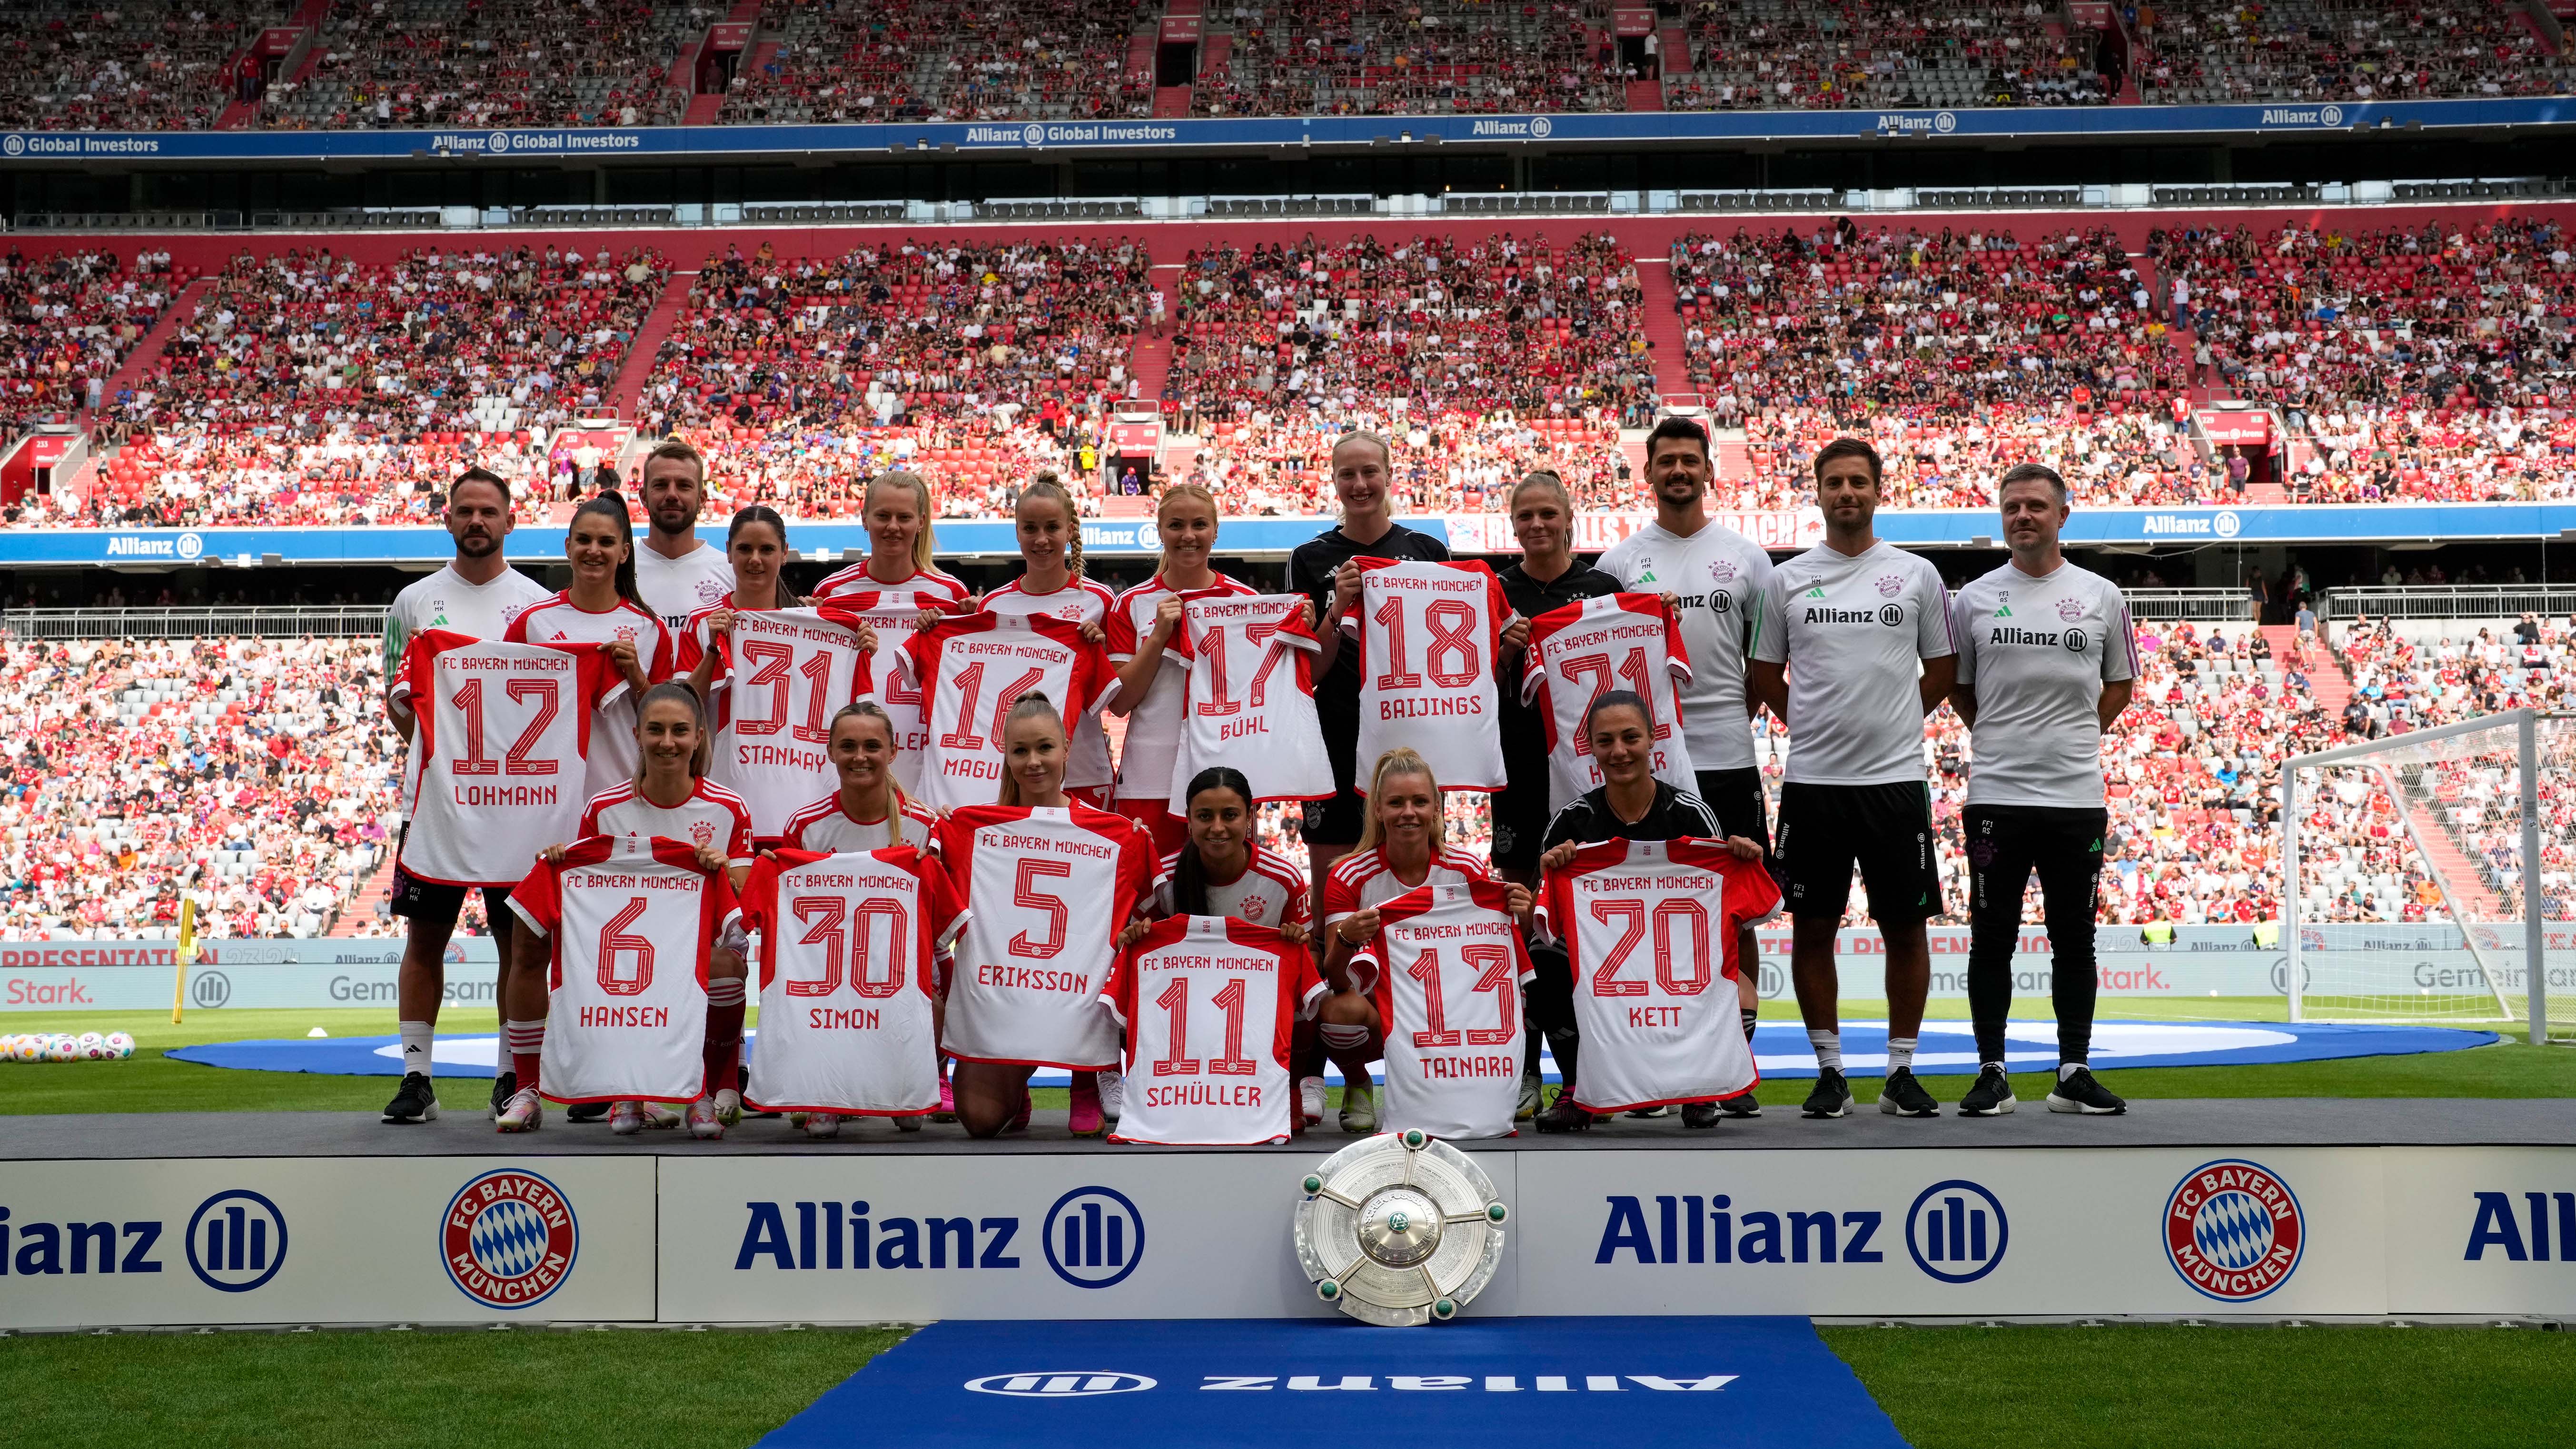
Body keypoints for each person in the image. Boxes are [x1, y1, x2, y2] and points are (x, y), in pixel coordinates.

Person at [1749, 437, 1957, 1120]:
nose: (1846, 493)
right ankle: (1830, 1071)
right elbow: (1764, 677)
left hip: (1894, 782)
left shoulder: (1917, 576)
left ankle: (1901, 1071)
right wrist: (1813, 725)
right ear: (1818, 491)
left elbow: (1943, 672)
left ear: (1878, 490)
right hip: (1813, 784)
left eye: (1858, 482)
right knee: (1812, 929)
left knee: (1907, 928)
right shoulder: (1786, 580)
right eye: (1834, 482)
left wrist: (1890, 723)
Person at [1597, 415, 1776, 1118]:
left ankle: (1737, 1068)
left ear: (1709, 470)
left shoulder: (1747, 558)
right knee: (1645, 915)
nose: (1677, 471)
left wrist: (1730, 719)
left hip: (1726, 755)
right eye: (1665, 461)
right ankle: (1654, 1069)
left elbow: (1763, 667)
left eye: (1688, 461)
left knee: (1734, 923)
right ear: (1648, 474)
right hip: (1646, 767)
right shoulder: (1618, 562)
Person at [1945, 464, 2136, 1117]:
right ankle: (1992, 1072)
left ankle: (2073, 1072)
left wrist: (2076, 736)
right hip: (1997, 793)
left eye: (2034, 506)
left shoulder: (2102, 595)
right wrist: (2004, 737)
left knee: (2073, 938)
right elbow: (1960, 688)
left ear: (2062, 515)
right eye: (2011, 507)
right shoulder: (1971, 599)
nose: (2022, 516)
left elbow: (2120, 684)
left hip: (2076, 797)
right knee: (1992, 936)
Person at [495, 682, 753, 1137]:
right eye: (655, 730)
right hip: (618, 956)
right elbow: (587, 880)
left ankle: (704, 1093)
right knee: (527, 935)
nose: (667, 742)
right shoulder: (605, 807)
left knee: (728, 964)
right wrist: (561, 860)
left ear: (698, 736)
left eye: (679, 731)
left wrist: (722, 869)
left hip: (688, 952)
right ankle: (529, 1089)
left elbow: (745, 902)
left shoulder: (728, 807)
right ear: (636, 734)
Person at [378, 467, 551, 1126]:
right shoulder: (413, 602)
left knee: (519, 945)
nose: (477, 521)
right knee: (425, 937)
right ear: (447, 519)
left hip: (517, 810)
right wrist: (444, 760)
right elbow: (399, 702)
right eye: (466, 511)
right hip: (436, 805)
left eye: (489, 512)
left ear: (511, 520)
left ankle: (512, 1076)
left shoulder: (535, 606)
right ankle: (416, 1077)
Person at [1531, 690, 1766, 1133]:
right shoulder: (1571, 822)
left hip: (1674, 964)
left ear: (1654, 739)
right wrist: (1550, 870)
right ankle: (1579, 1089)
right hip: (1607, 971)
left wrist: (1739, 860)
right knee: (1541, 963)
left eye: (1630, 737)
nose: (1618, 751)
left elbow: (1727, 917)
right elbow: (1544, 927)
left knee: (1744, 998)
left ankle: (1701, 1087)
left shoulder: (1691, 815)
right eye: (1606, 741)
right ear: (1591, 748)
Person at [935, 694, 1155, 1139]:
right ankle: (1018, 1086)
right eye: (1020, 751)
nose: (1033, 761)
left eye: (1045, 748)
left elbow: (1144, 925)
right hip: (1003, 1004)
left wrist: (1138, 844)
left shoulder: (1113, 834)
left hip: (1073, 1007)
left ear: (1067, 747)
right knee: (978, 1118)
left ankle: (1086, 1080)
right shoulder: (974, 828)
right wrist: (942, 828)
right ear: (1006, 755)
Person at [1488, 470, 1620, 1119]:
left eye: (1548, 513)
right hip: (1515, 773)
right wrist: (1503, 656)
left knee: (1588, 923)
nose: (1537, 525)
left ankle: (1601, 1067)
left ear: (1571, 517)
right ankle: (1526, 1068)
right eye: (1525, 516)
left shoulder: (1603, 589)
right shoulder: (1496, 591)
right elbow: (1472, 695)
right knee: (1517, 915)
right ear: (1512, 523)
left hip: (1591, 780)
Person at [1314, 748, 1532, 1132]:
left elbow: (1504, 963)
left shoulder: (1465, 869)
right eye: (1396, 803)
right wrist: (1347, 941)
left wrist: (1522, 912)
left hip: (1449, 1014)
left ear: (1436, 809)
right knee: (1339, 1013)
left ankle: (1470, 1088)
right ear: (1378, 810)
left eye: (1419, 801)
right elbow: (1335, 979)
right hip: (1381, 1010)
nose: (1408, 812)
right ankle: (1357, 1083)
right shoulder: (1349, 875)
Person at [1289, 431, 1453, 908]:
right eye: (1348, 474)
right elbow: (1307, 675)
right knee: (1333, 883)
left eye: (1369, 472)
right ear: (1334, 481)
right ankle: (1334, 969)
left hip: (1411, 727)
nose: (1359, 484)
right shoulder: (1308, 558)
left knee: (1417, 866)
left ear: (1388, 475)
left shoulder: (1428, 550)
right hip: (1336, 729)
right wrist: (1338, 606)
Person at [1106, 484, 1258, 859]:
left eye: (1199, 525)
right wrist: (1159, 637)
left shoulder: (1248, 604)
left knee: (1224, 896)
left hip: (1226, 773)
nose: (1188, 536)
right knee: (1150, 901)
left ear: (1216, 531)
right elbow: (1121, 703)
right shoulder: (1131, 603)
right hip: (1149, 775)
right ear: (1159, 531)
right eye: (1176, 525)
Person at [505, 491, 671, 802]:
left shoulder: (651, 628)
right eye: (584, 540)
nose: (594, 551)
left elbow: (668, 722)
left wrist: (637, 678)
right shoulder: (531, 623)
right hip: (546, 793)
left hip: (622, 794)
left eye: (606, 543)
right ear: (569, 547)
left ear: (624, 553)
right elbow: (500, 706)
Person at [981, 476, 1120, 809]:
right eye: (1030, 528)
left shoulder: (1100, 600)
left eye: (1052, 528)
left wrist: (1097, 650)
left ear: (1070, 530)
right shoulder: (993, 606)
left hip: (1084, 772)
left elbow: (1118, 696)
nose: (1041, 539)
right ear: (1017, 532)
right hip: (1017, 776)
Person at [679, 505, 811, 699]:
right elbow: (683, 707)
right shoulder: (700, 621)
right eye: (745, 549)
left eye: (767, 550)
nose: (755, 559)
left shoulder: (808, 621)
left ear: (784, 553)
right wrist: (713, 649)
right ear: (729, 552)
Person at [812, 471, 972, 610]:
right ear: (864, 519)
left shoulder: (952, 594)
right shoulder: (830, 592)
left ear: (921, 522)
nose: (893, 526)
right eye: (883, 516)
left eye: (904, 518)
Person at [631, 438, 738, 635]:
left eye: (684, 486)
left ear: (702, 499)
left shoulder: (731, 572)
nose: (672, 494)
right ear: (644, 497)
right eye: (661, 485)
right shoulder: (620, 572)